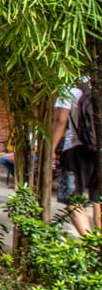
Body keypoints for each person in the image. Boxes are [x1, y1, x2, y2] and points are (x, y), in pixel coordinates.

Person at [51, 80, 100, 235]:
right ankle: (98, 242)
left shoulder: (70, 88)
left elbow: (60, 120)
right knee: (98, 200)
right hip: (99, 150)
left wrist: (51, 149)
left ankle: (90, 244)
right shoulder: (97, 83)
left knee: (72, 199)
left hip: (75, 150)